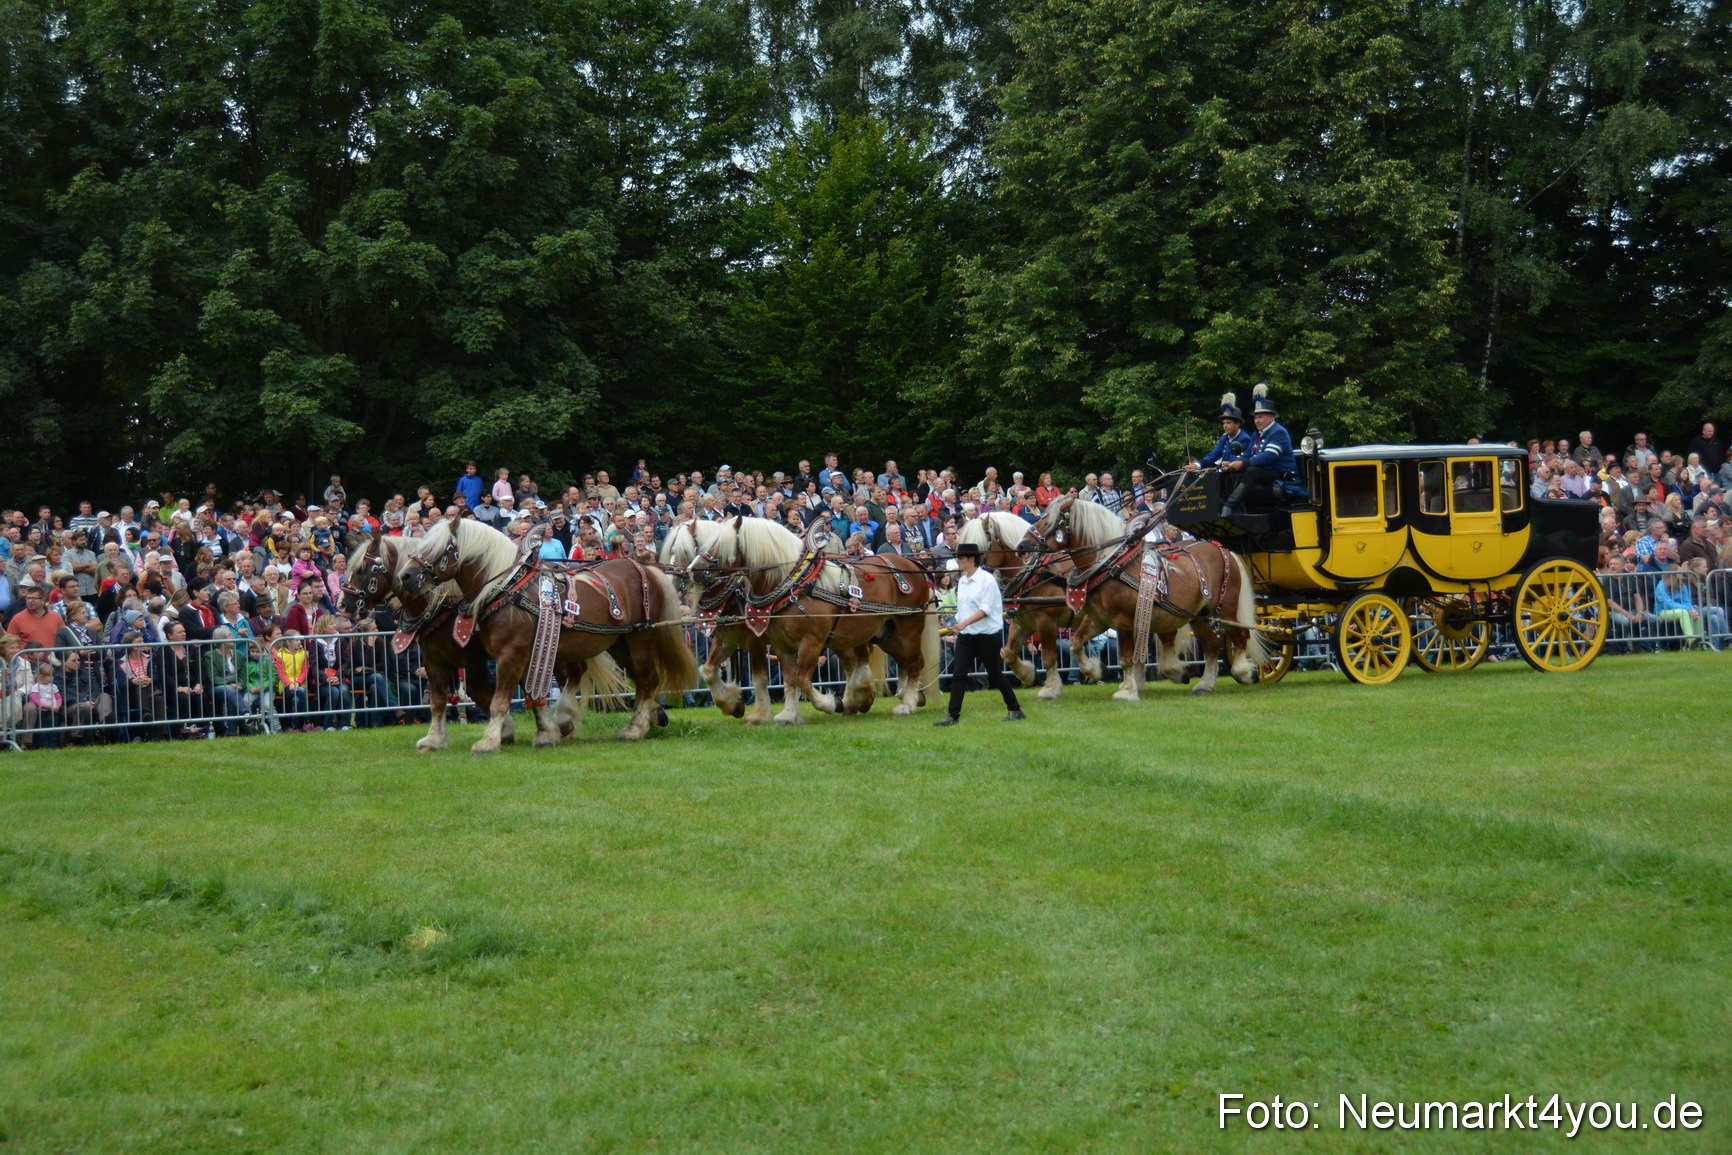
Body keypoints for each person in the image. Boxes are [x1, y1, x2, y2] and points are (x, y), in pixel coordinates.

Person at [934, 542, 1024, 725]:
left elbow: (986, 609)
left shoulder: (987, 580)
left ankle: (1015, 709)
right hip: (967, 636)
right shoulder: (964, 582)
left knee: (995, 674)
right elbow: (963, 608)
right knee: (959, 674)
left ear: (970, 559)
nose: (957, 561)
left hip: (987, 635)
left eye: (960, 558)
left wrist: (963, 624)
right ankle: (953, 716)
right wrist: (960, 630)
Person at [1220, 383, 1295, 518]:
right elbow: (1248, 454)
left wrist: (1243, 464)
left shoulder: (1279, 432)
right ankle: (1240, 513)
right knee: (1231, 476)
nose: (1257, 420)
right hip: (1264, 473)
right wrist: (1232, 463)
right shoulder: (1257, 434)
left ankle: (1229, 506)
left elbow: (1268, 456)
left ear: (1271, 417)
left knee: (1252, 472)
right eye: (1255, 417)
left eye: (1260, 417)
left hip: (1281, 473)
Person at [1189, 393, 1253, 474]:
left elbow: (1239, 460)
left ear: (1237, 424)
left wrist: (1219, 468)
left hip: (1236, 478)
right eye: (1224, 423)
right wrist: (1196, 465)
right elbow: (1213, 455)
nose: (1225, 426)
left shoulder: (1245, 439)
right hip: (1223, 476)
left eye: (1228, 423)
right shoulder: (1224, 438)